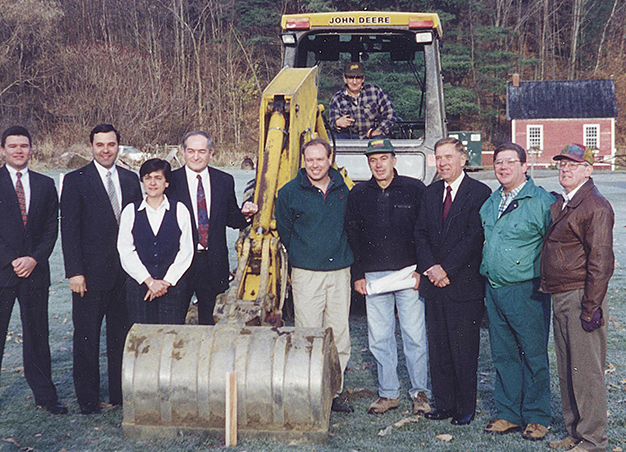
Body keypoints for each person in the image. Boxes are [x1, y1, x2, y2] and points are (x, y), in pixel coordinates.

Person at [0, 126, 67, 419]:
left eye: (23, 146)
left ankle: (45, 396)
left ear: (31, 149)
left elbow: (52, 228)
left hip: (34, 272)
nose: (18, 151)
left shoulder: (45, 184)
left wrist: (34, 259)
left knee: (38, 336)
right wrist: (12, 259)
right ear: (2, 149)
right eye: (12, 146)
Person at [345, 137, 431, 415]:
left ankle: (420, 393)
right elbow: (353, 237)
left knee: (414, 336)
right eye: (373, 159)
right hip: (374, 277)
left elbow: (425, 232)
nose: (379, 164)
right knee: (379, 337)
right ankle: (388, 393)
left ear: (394, 160)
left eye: (384, 158)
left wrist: (422, 270)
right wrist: (358, 275)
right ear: (368, 163)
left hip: (409, 275)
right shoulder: (358, 194)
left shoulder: (414, 189)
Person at [60, 124, 142, 414]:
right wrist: (74, 272)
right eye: (100, 145)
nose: (106, 150)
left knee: (121, 337)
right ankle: (88, 400)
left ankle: (120, 395)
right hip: (89, 276)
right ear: (91, 147)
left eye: (111, 144)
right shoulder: (76, 180)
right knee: (87, 339)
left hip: (124, 276)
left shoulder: (131, 180)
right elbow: (69, 231)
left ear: (119, 145)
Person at [540, 143, 615, 452]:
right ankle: (575, 432)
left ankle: (593, 439)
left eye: (572, 164)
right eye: (561, 165)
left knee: (586, 370)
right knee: (568, 367)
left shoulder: (595, 206)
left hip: (580, 296)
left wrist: (590, 307)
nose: (565, 169)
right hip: (561, 294)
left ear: (589, 169)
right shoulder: (569, 203)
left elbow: (601, 262)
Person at [479, 142, 557, 441]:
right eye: (498, 162)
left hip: (527, 290)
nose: (503, 167)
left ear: (525, 166)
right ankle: (508, 412)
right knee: (503, 354)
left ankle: (537, 416)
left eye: (510, 162)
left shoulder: (541, 201)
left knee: (533, 354)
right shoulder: (491, 201)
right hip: (495, 289)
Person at [275, 137, 355, 413]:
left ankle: (334, 391)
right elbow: (285, 232)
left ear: (330, 159)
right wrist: (304, 254)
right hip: (306, 272)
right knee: (308, 332)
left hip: (339, 271)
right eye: (310, 160)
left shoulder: (344, 188)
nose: (315, 165)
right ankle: (308, 389)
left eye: (320, 159)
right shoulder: (289, 193)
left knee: (339, 333)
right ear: (303, 161)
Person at [415, 137, 491, 425]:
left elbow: (474, 237)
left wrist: (446, 268)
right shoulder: (430, 192)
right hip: (434, 285)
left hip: (463, 285)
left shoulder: (479, 192)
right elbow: (420, 232)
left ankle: (464, 407)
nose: (443, 163)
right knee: (439, 347)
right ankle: (444, 404)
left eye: (448, 157)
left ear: (462, 158)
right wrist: (431, 268)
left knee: (463, 348)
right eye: (439, 157)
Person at [165, 131, 258, 325]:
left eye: (201, 151)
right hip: (179, 263)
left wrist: (246, 215)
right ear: (183, 152)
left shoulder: (224, 181)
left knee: (209, 321)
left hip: (212, 263)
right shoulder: (170, 182)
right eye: (191, 151)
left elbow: (232, 218)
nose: (196, 156)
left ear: (211, 153)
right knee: (173, 320)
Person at [117, 159, 193, 324]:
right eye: (148, 177)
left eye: (158, 178)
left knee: (171, 336)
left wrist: (166, 282)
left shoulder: (180, 210)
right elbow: (125, 250)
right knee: (142, 337)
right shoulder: (130, 211)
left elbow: (186, 250)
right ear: (142, 182)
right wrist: (149, 281)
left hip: (173, 287)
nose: (152, 183)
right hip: (139, 287)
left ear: (166, 183)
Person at [328, 62, 396, 140]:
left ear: (363, 78)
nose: (354, 82)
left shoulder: (375, 91)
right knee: (331, 138)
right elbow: (331, 123)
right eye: (351, 77)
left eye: (358, 78)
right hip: (348, 138)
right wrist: (337, 123)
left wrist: (378, 130)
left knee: (381, 141)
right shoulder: (337, 99)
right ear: (345, 79)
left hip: (372, 137)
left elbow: (390, 114)